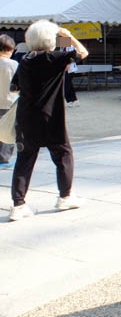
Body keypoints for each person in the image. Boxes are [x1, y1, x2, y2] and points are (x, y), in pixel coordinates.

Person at [8, 20, 88, 221]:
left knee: (25, 159)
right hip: (52, 115)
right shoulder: (56, 57)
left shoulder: (25, 59)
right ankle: (65, 196)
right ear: (51, 39)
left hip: (26, 116)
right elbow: (83, 52)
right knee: (63, 154)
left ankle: (18, 205)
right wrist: (66, 34)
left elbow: (14, 88)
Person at [0, 35, 18, 167]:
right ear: (11, 49)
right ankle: (3, 159)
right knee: (7, 131)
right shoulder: (14, 64)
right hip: (9, 102)